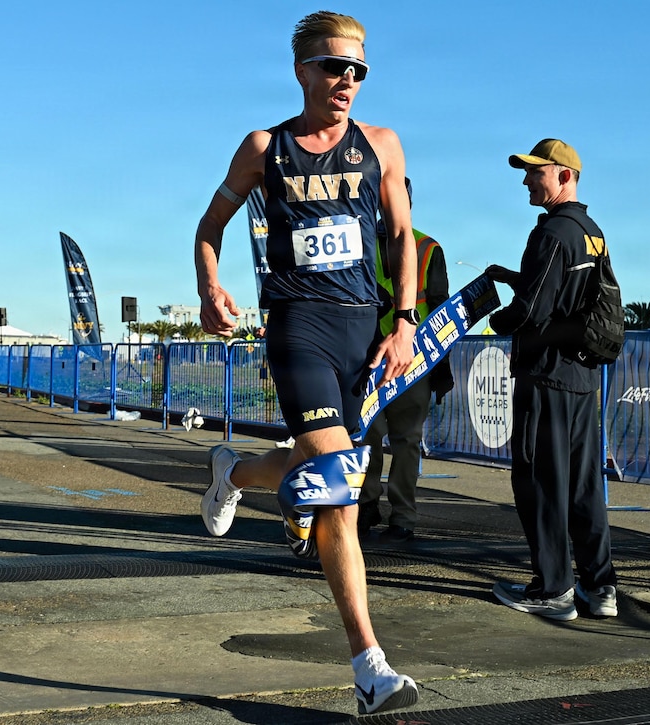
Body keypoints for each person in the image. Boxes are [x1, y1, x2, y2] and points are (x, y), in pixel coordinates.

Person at [192, 11, 420, 715]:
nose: (347, 80)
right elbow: (209, 225)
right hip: (298, 328)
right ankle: (369, 667)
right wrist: (210, 285)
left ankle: (231, 470)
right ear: (303, 71)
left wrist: (405, 321)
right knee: (340, 495)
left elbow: (403, 232)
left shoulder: (381, 145)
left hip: (363, 332)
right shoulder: (266, 147)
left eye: (358, 69)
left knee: (311, 468)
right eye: (333, 66)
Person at [485, 138, 618, 621]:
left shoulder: (551, 234)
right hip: (582, 376)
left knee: (540, 481)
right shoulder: (591, 232)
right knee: (583, 486)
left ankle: (552, 590)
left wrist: (493, 320)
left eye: (535, 172)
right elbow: (568, 298)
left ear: (564, 175)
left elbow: (531, 312)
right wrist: (516, 277)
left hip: (545, 377)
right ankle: (599, 587)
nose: (526, 179)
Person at [359, 181, 453, 542]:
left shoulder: (427, 248)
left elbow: (442, 311)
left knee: (406, 441)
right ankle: (367, 506)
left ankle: (403, 517)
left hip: (413, 363)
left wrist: (441, 371)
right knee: (367, 438)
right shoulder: (357, 246)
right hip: (366, 362)